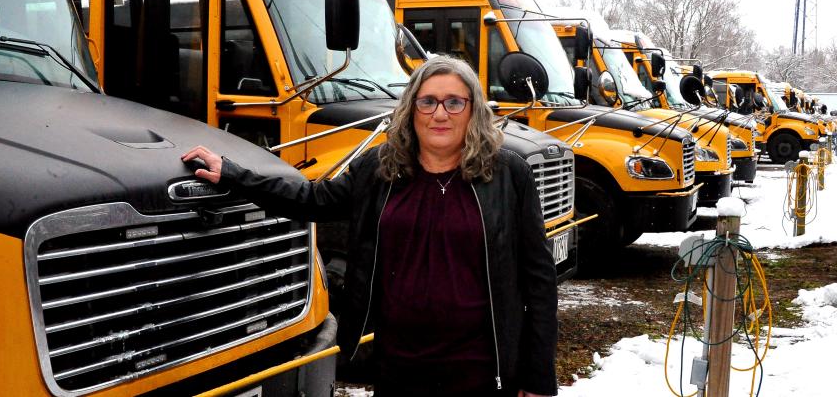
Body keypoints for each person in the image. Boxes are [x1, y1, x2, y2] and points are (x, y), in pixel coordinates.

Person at [182, 56, 557, 397]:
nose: (439, 114)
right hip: (398, 365)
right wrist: (234, 174)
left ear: (473, 110)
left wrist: (537, 376)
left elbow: (539, 282)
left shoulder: (509, 175)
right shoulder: (379, 170)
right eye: (427, 102)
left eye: (454, 102)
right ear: (411, 110)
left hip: (480, 369)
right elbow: (311, 199)